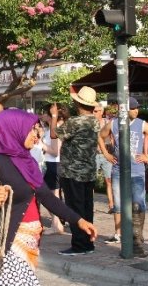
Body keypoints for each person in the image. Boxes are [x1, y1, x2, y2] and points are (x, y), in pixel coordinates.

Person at [0, 109, 97, 285]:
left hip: (30, 239)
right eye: (32, 130)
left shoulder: (27, 161)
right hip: (5, 241)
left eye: (37, 130)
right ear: (15, 129)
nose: (37, 136)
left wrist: (79, 221)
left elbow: (47, 196)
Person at [98, 97, 148, 258]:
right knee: (119, 205)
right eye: (133, 108)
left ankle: (137, 240)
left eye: (137, 108)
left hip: (136, 170)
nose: (136, 111)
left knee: (138, 204)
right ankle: (120, 235)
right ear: (124, 109)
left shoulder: (141, 124)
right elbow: (100, 136)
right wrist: (106, 153)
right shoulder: (113, 124)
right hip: (118, 170)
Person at [54, 87, 102, 256]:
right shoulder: (95, 121)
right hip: (88, 171)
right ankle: (88, 243)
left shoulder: (75, 122)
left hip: (73, 171)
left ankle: (79, 245)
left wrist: (54, 116)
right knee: (87, 208)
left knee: (75, 209)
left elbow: (55, 134)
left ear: (78, 103)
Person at [40, 104, 65, 235]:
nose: (42, 115)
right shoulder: (50, 130)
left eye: (44, 112)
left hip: (54, 164)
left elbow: (55, 151)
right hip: (50, 164)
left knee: (51, 196)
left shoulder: (55, 130)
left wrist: (40, 144)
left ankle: (57, 223)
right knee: (50, 195)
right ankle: (56, 223)